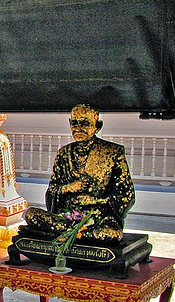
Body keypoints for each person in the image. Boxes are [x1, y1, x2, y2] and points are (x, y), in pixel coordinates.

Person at [23, 103, 135, 246]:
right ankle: (75, 233)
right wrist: (69, 188)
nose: (78, 128)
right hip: (66, 215)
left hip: (98, 217)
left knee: (111, 234)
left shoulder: (112, 152)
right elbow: (52, 191)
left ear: (97, 126)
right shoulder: (64, 153)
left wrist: (94, 201)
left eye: (85, 123)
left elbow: (127, 196)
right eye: (74, 123)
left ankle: (64, 233)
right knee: (31, 214)